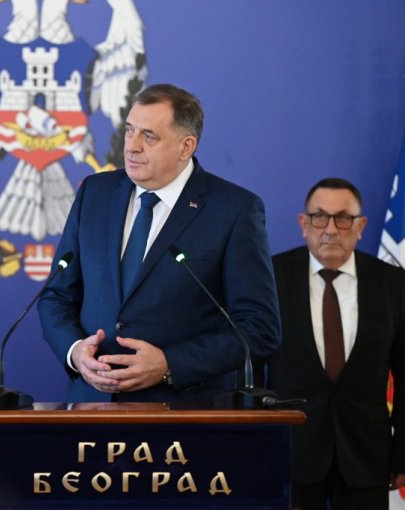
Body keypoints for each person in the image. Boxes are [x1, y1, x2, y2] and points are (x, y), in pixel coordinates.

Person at [37, 83, 280, 403]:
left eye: (149, 136)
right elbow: (56, 295)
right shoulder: (94, 194)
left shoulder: (233, 210)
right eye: (129, 131)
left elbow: (259, 327)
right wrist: (75, 352)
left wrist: (170, 364)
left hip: (184, 411)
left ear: (185, 146)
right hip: (93, 405)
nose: (131, 146)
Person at [265, 177, 405, 510]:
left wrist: (402, 453)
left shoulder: (393, 283)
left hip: (367, 456)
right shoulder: (270, 278)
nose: (330, 229)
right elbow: (251, 372)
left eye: (343, 218)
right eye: (319, 217)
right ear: (304, 224)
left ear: (361, 226)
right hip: (290, 453)